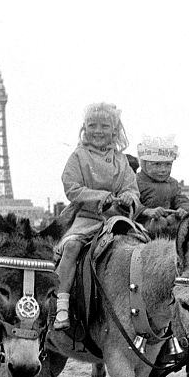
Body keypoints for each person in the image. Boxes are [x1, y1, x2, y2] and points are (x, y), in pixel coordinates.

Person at [53, 103, 139, 330]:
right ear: (85, 128)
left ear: (114, 130)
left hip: (117, 220)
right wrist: (100, 197)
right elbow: (72, 188)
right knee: (71, 247)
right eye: (93, 125)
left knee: (142, 248)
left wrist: (129, 197)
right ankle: (62, 303)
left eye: (104, 126)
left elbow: (131, 187)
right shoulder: (78, 156)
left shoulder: (121, 160)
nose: (98, 131)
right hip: (87, 217)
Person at [135, 134, 189, 216]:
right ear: (144, 163)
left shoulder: (172, 183)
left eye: (168, 164)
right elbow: (130, 204)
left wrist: (183, 209)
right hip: (142, 225)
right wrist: (146, 211)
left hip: (169, 223)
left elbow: (180, 199)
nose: (163, 170)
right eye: (157, 164)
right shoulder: (135, 182)